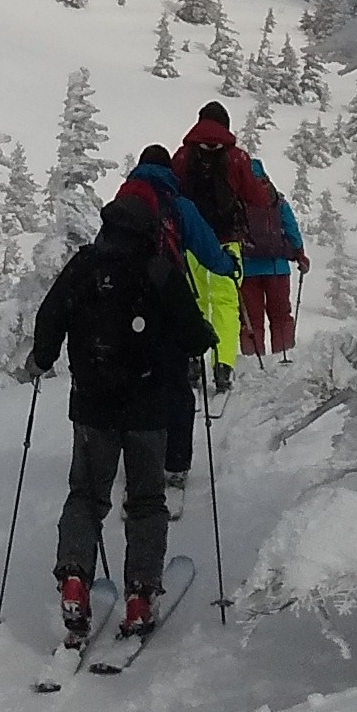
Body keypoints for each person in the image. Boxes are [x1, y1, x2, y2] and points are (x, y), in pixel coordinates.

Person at [27, 176, 214, 640]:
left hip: (92, 406)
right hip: (148, 407)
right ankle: (139, 597)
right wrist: (202, 340)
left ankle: (75, 579)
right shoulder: (159, 268)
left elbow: (50, 315)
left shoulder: (85, 265)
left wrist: (42, 359)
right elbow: (194, 334)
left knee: (86, 498)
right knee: (147, 501)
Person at [127, 140, 217, 510]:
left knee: (135, 383)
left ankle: (138, 462)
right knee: (176, 385)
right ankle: (175, 466)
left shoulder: (124, 203)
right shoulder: (178, 205)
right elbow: (207, 249)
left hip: (126, 307)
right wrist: (228, 266)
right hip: (168, 299)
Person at [171, 101, 255, 397]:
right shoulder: (236, 157)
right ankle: (223, 366)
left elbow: (173, 192)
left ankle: (193, 360)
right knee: (225, 303)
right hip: (226, 241)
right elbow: (255, 196)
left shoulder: (183, 155)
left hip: (191, 241)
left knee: (194, 299)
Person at [237, 155, 310, 360]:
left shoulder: (236, 200)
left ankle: (254, 359)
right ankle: (283, 355)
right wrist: (300, 254)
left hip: (247, 269)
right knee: (281, 317)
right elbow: (291, 229)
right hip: (277, 266)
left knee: (251, 320)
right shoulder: (277, 200)